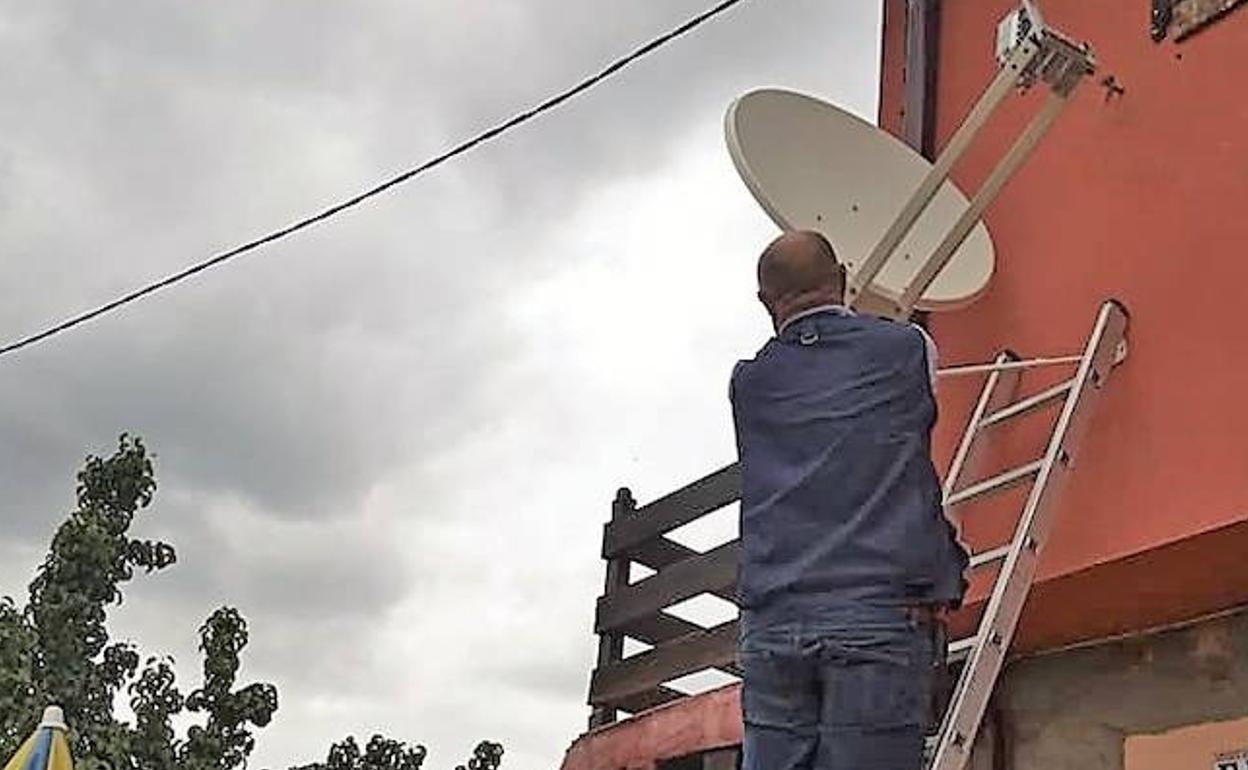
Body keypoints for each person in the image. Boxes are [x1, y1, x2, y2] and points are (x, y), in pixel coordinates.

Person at [729, 230, 968, 770]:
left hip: (773, 621)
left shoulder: (748, 383)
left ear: (767, 303)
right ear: (842, 280)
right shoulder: (909, 348)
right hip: (878, 613)